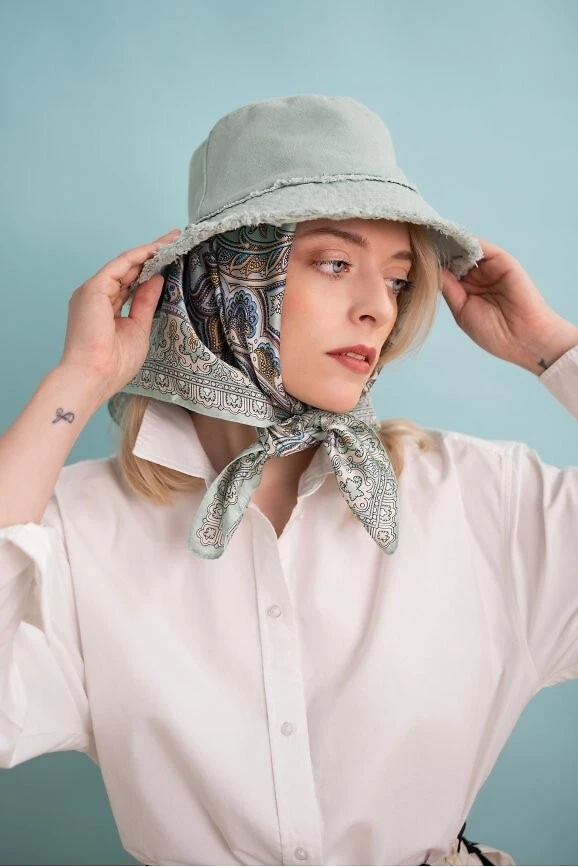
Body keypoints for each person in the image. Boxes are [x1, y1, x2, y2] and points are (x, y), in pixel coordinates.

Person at [0, 94, 576, 867]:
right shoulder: (79, 527)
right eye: (335, 263)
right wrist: (79, 377)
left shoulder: (483, 498)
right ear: (225, 275)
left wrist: (552, 348)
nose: (377, 309)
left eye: (399, 279)